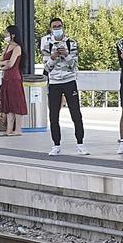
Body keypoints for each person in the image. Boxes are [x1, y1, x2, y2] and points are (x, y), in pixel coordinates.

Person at [40, 18, 87, 156]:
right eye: (54, 26)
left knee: (76, 113)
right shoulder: (47, 45)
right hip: (54, 82)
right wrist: (53, 57)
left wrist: (66, 55)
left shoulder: (71, 43)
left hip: (69, 81)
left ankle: (80, 143)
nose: (57, 28)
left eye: (59, 26)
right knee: (54, 115)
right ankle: (56, 144)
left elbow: (74, 65)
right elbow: (46, 68)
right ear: (50, 29)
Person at [0, 24, 27, 136]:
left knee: (16, 103)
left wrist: (3, 65)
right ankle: (9, 129)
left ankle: (18, 129)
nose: (5, 36)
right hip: (6, 78)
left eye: (7, 33)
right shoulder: (7, 46)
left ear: (13, 35)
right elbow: (0, 61)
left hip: (14, 78)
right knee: (8, 104)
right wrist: (3, 64)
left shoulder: (17, 48)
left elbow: (11, 64)